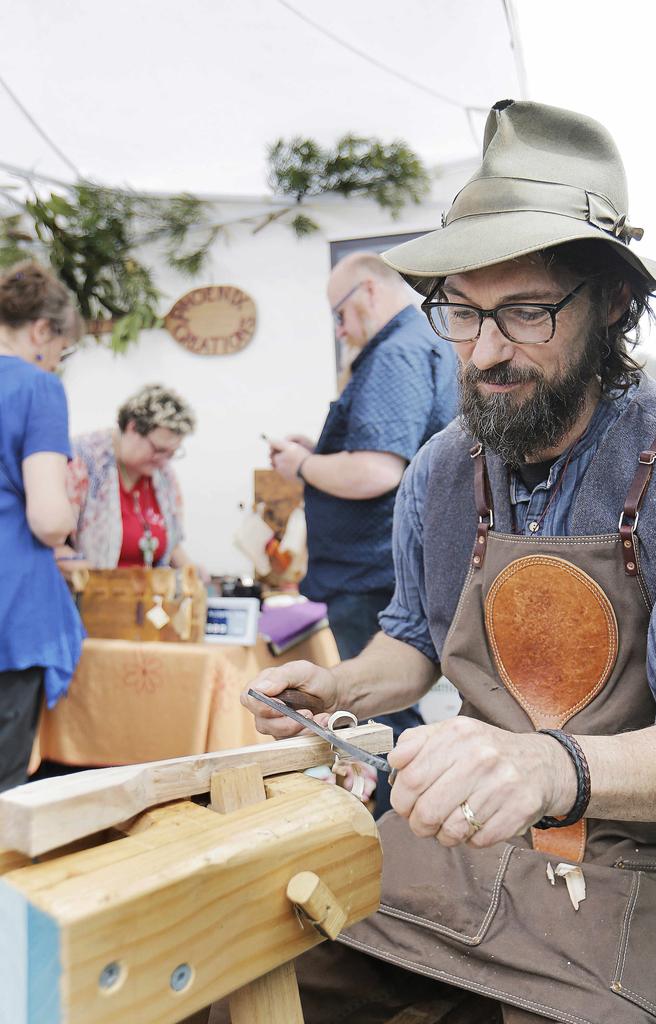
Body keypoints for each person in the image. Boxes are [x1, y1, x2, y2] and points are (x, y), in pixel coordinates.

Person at [243, 100, 656, 1024]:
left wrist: (546, 767)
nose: (486, 351)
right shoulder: (443, 467)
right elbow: (411, 638)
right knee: (252, 988)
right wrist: (340, 690)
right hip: (455, 843)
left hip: (640, 863)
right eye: (463, 312)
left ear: (614, 302)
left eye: (525, 312)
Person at [268, 251, 457, 814]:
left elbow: (377, 470)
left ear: (370, 293)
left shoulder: (393, 353)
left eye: (341, 314)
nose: (341, 329)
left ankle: (399, 835)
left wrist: (301, 466)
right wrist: (320, 454)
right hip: (381, 566)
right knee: (387, 721)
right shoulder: (419, 345)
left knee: (380, 727)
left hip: (370, 570)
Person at [0, 260, 86, 792]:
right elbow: (49, 518)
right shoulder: (38, 389)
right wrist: (69, 513)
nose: (57, 361)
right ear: (41, 331)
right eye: (62, 349)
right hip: (11, 607)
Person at [60, 383, 201, 573]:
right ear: (132, 427)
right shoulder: (82, 461)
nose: (163, 460)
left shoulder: (163, 475)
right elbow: (54, 546)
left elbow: (172, 544)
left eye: (172, 453)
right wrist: (101, 583)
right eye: (158, 450)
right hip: (93, 594)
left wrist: (193, 575)